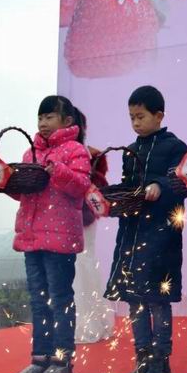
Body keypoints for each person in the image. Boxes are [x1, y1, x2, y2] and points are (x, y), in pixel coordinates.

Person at [104, 86, 187, 373]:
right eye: (131, 117)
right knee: (134, 299)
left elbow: (181, 182)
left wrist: (160, 186)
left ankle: (160, 361)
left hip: (162, 237)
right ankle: (141, 360)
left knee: (157, 299)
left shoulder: (175, 147)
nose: (136, 122)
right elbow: (128, 187)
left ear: (159, 116)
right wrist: (113, 199)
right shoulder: (131, 151)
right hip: (131, 235)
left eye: (140, 116)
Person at [10, 95, 91, 373]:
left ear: (67, 121)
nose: (43, 123)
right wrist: (7, 182)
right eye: (40, 118)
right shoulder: (30, 152)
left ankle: (62, 361)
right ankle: (39, 359)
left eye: (49, 117)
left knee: (59, 300)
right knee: (38, 300)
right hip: (31, 237)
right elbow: (22, 193)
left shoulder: (76, 150)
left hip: (60, 241)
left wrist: (58, 170)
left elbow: (81, 186)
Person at [72, 107, 114, 344]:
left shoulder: (94, 156)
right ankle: (75, 324)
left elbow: (100, 188)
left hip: (84, 219)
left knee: (84, 264)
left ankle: (89, 324)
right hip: (59, 220)